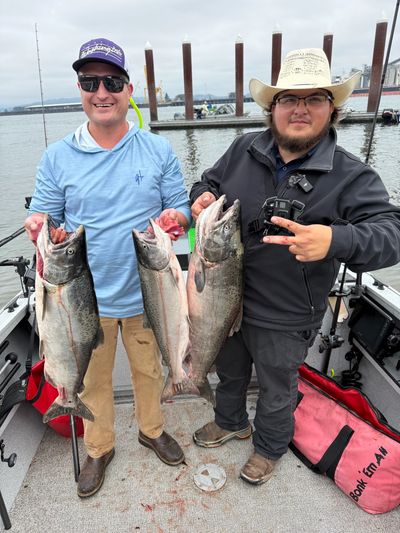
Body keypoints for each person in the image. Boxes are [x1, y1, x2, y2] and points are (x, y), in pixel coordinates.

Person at [190, 48, 400, 485]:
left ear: (332, 109)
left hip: (287, 314)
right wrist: (203, 195)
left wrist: (335, 240)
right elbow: (208, 179)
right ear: (273, 108)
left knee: (276, 388)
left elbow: (391, 232)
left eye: (314, 99)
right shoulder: (242, 148)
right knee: (228, 371)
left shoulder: (352, 175)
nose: (300, 109)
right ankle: (230, 421)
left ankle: (269, 447)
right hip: (225, 303)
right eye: (289, 99)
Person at [24, 37, 191, 498]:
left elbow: (180, 206)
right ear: (80, 88)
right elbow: (46, 215)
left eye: (112, 82)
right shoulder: (58, 156)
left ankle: (151, 429)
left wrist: (179, 217)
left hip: (147, 293)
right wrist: (39, 224)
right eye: (90, 82)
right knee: (92, 380)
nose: (102, 92)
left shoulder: (156, 150)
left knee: (150, 372)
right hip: (82, 300)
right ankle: (99, 447)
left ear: (128, 88)